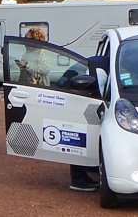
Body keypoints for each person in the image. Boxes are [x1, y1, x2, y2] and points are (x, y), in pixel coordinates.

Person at [16, 28, 98, 191]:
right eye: (24, 39)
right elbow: (24, 74)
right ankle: (77, 177)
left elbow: (44, 69)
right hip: (32, 89)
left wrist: (27, 65)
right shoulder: (26, 55)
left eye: (28, 39)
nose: (25, 42)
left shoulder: (42, 53)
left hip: (42, 89)